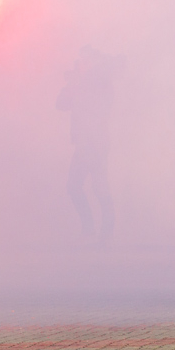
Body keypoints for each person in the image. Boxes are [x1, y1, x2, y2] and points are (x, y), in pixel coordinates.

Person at [56, 47, 118, 244]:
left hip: (96, 143)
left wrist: (79, 87)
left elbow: (98, 108)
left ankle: (105, 232)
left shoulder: (101, 83)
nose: (80, 65)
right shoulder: (80, 83)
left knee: (99, 187)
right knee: (74, 186)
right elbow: (61, 105)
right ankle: (89, 229)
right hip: (84, 143)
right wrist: (71, 87)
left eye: (85, 61)